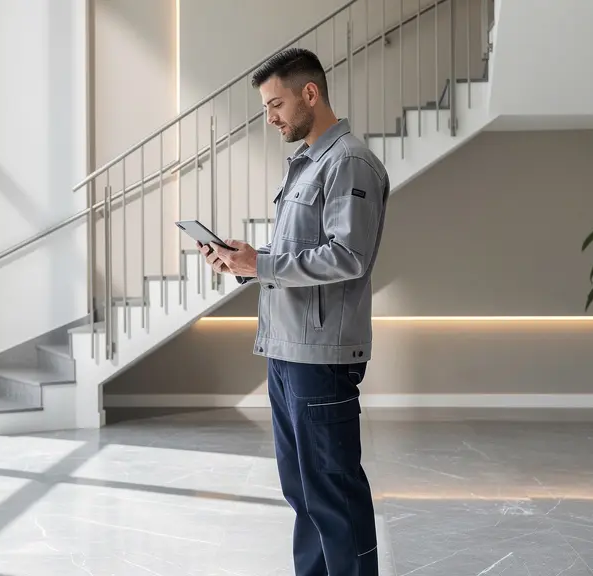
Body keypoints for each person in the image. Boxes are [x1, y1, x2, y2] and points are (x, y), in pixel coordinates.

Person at [199, 47, 389, 576]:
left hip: (320, 355)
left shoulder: (348, 161)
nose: (271, 118)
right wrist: (245, 262)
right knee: (302, 492)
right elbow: (293, 260)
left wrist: (262, 262)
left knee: (333, 491)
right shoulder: (306, 165)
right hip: (285, 351)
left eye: (276, 103)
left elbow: (348, 256)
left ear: (311, 93)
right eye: (266, 107)